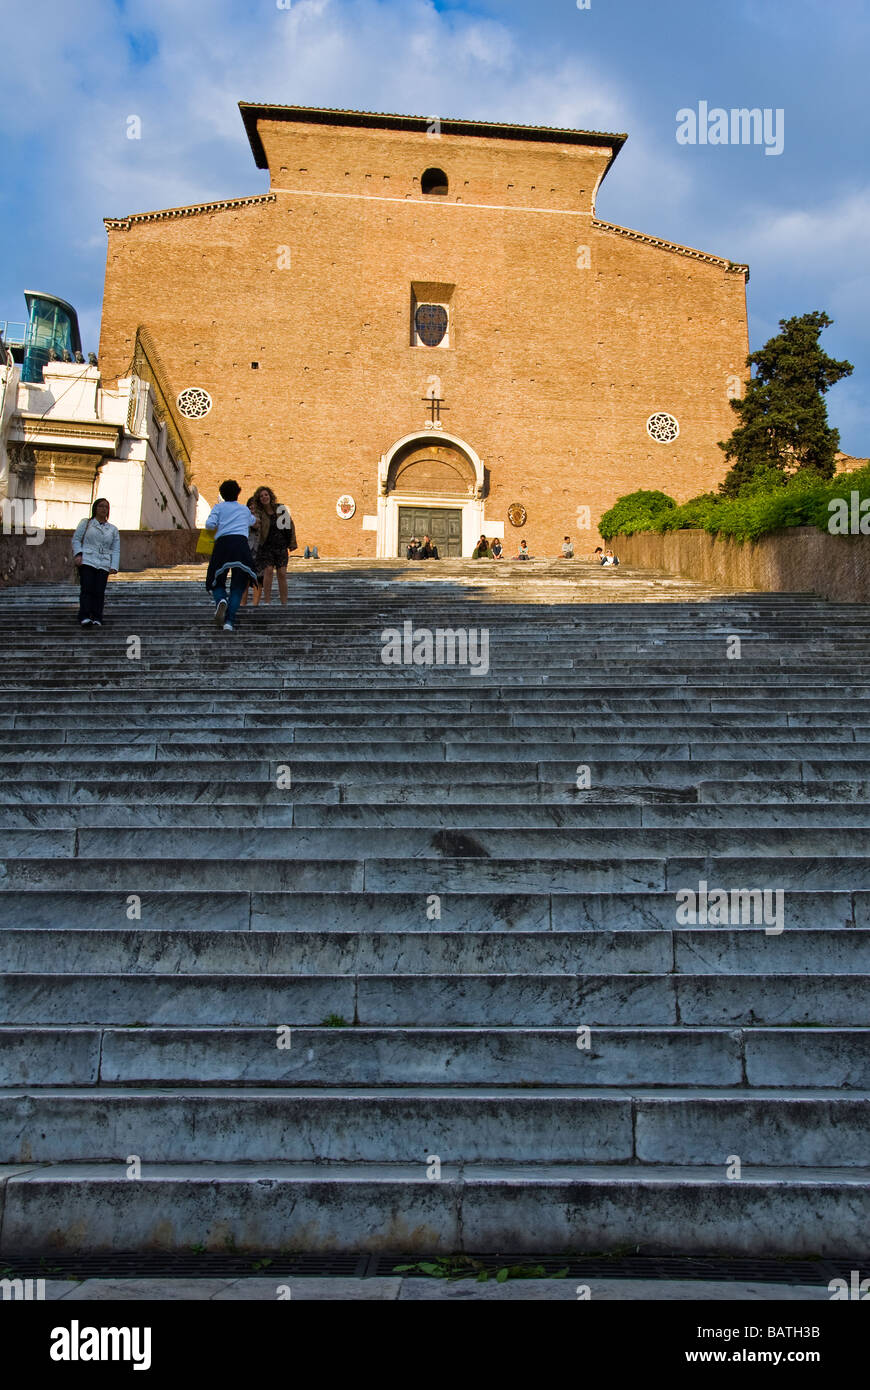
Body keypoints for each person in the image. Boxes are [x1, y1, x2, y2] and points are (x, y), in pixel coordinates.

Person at [204, 480, 260, 632]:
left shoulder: (218, 507)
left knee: (216, 582)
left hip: (223, 545)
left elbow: (209, 525)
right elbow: (255, 522)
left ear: (222, 493)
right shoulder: (244, 510)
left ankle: (221, 600)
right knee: (238, 586)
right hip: (241, 547)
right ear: (238, 493)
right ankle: (229, 621)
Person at [72, 498, 120, 628]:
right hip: (88, 559)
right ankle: (85, 615)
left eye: (106, 507)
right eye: (101, 506)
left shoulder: (113, 529)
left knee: (99, 590)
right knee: (87, 588)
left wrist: (114, 565)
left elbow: (116, 549)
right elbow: (76, 539)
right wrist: (78, 554)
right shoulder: (86, 523)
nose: (104, 509)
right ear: (95, 508)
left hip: (103, 562)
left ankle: (97, 616)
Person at [246, 485, 297, 606]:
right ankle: (267, 601)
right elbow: (255, 525)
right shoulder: (259, 513)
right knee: (268, 571)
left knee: (282, 573)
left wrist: (292, 543)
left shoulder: (280, 509)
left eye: (266, 495)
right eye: (261, 496)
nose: (264, 497)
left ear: (270, 496)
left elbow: (290, 526)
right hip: (266, 547)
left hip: (281, 546)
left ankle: (284, 602)